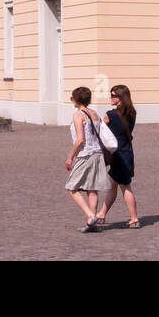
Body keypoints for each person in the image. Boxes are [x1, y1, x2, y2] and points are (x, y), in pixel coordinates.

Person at [65, 86, 111, 231]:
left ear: (76, 99)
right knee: (92, 189)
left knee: (72, 187)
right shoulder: (94, 113)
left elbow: (80, 139)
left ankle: (90, 216)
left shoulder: (78, 115)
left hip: (85, 154)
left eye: (72, 97)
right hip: (97, 154)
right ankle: (92, 225)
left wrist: (70, 157)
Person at [95, 84, 141, 229]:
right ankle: (101, 214)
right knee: (112, 186)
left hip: (117, 155)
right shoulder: (132, 113)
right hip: (127, 152)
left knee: (125, 186)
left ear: (121, 97)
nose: (110, 97)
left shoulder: (111, 115)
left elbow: (99, 131)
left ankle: (134, 219)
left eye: (113, 95)